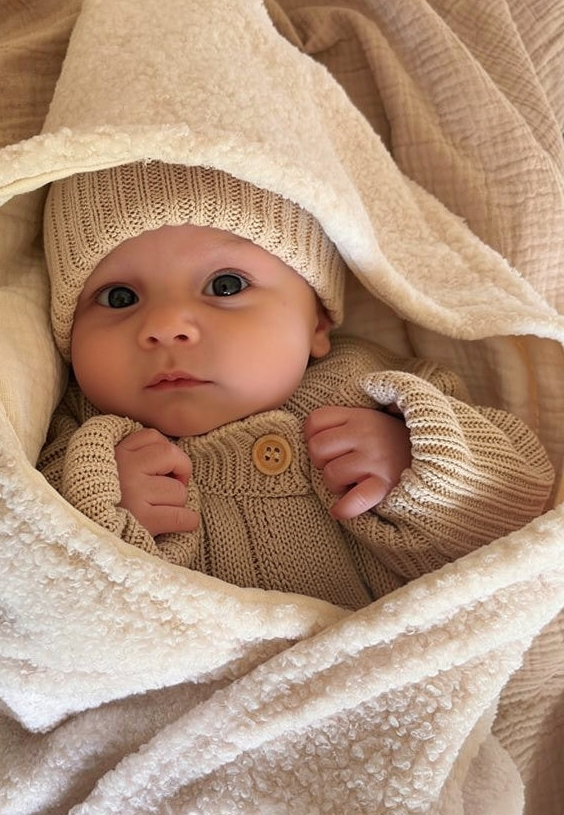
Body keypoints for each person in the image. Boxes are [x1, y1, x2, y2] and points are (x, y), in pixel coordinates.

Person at [38, 160, 554, 610]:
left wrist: (415, 465)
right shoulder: (77, 448)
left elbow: (521, 503)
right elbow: (39, 591)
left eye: (225, 286)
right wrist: (101, 510)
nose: (166, 325)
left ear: (317, 323)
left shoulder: (379, 394)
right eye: (120, 297)